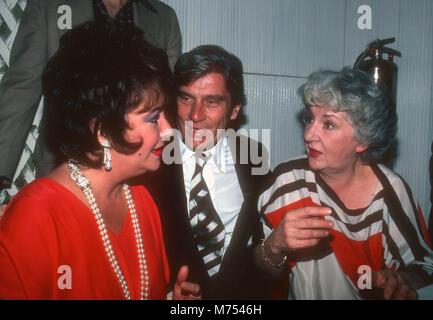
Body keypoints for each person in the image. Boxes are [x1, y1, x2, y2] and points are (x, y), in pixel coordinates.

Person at [0, 22, 199, 300]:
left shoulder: (142, 201)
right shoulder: (35, 218)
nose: (169, 130)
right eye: (153, 118)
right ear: (102, 131)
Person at [256, 68, 433, 300]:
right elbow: (256, 275)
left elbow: (425, 268)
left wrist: (403, 280)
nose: (309, 134)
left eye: (328, 125)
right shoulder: (286, 181)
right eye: (310, 118)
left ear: (364, 139)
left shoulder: (390, 192)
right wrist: (273, 247)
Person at [0, 0, 182, 201]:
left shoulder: (163, 18)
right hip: (66, 168)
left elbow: (167, 101)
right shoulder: (49, 6)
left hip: (140, 177)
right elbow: (22, 86)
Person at [143, 45, 273, 299]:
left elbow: (264, 253)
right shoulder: (147, 164)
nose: (195, 115)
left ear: (234, 110)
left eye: (211, 101)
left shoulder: (254, 158)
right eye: (186, 98)